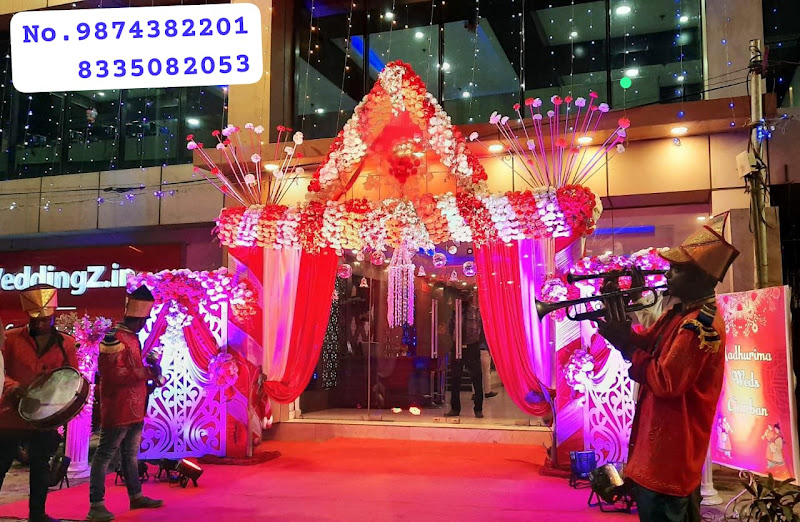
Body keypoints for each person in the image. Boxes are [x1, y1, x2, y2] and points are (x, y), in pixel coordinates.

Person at [596, 213, 739, 522]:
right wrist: (620, 318)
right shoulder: (680, 314)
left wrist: (627, 345)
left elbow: (666, 381)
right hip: (657, 450)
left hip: (671, 456)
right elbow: (649, 342)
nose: (668, 275)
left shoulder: (699, 325)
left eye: (676, 270)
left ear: (701, 277)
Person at [0, 285, 79, 522]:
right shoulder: (11, 338)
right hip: (10, 413)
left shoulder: (66, 343)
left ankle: (37, 514)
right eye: (35, 320)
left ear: (52, 316)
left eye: (44, 320)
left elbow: (70, 378)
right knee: (1, 463)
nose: (39, 324)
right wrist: (14, 388)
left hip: (45, 416)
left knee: (40, 466)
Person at [87, 285, 163, 522]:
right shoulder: (113, 337)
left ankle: (136, 495)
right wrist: (145, 372)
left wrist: (148, 369)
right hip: (118, 407)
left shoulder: (131, 338)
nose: (144, 324)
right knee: (105, 455)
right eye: (144, 319)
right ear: (137, 318)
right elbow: (112, 375)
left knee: (130, 454)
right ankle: (96, 504)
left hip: (134, 407)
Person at [446, 291, 485, 418]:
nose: (464, 299)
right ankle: (455, 408)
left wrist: (476, 343)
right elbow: (450, 327)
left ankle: (478, 409)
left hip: (472, 347)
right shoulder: (455, 311)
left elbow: (480, 328)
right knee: (455, 379)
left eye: (466, 296)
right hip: (457, 346)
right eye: (461, 296)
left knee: (477, 379)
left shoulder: (475, 311)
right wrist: (455, 340)